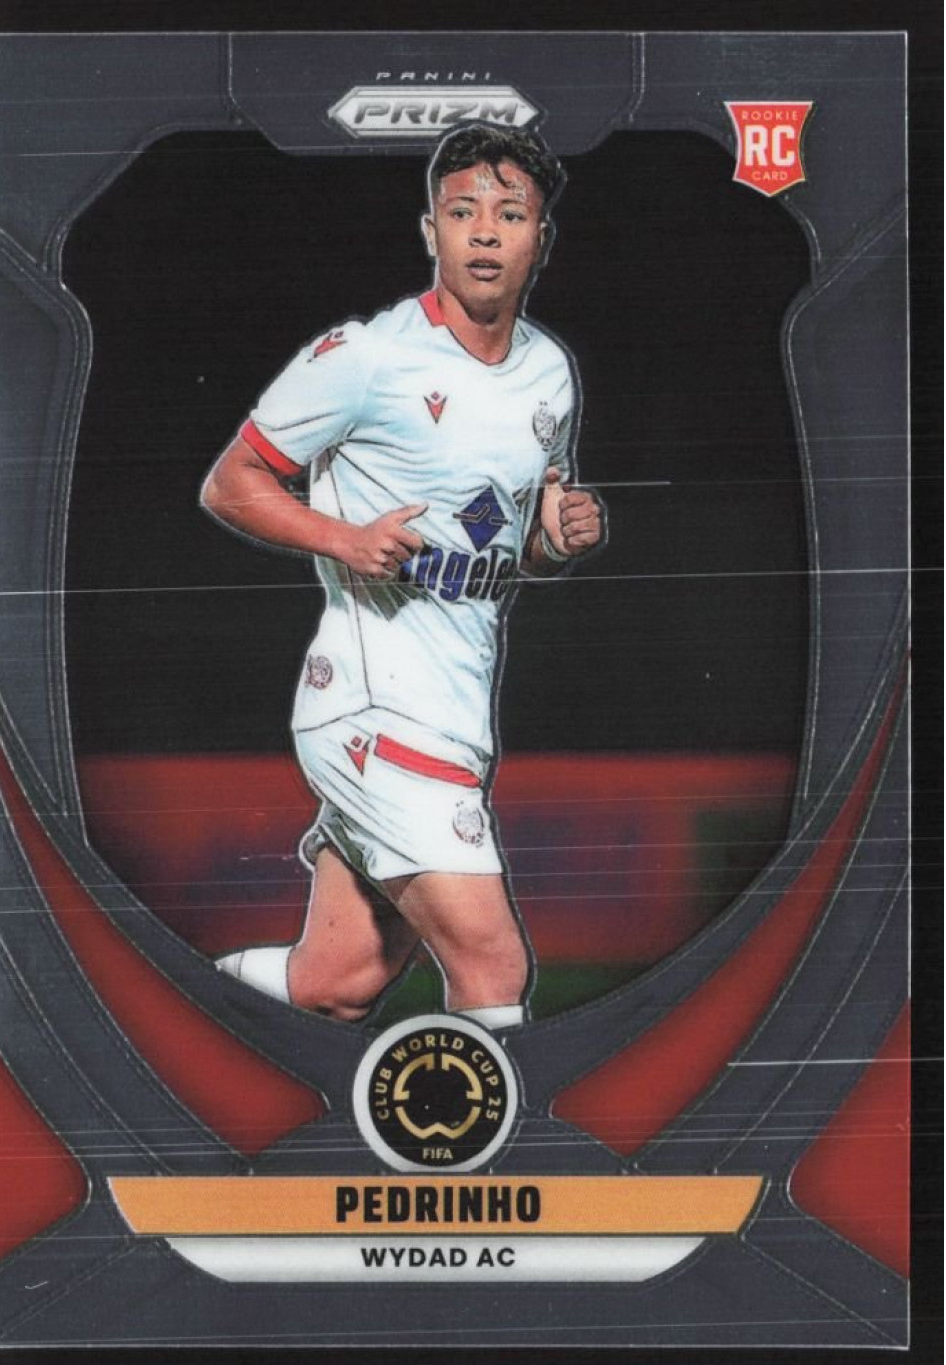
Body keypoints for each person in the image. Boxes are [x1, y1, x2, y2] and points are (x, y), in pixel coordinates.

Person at [201, 124, 604, 1032]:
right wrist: (342, 539)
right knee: (493, 963)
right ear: (431, 231)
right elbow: (231, 482)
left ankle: (175, 999)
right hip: (372, 705)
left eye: (510, 214)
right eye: (463, 213)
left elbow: (504, 552)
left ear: (541, 238)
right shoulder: (368, 358)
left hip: (455, 711)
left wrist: (554, 542)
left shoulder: (549, 375)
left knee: (334, 981)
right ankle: (508, 1139)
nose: (485, 231)